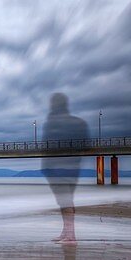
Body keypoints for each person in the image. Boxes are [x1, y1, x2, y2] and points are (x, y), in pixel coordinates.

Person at [41, 93, 89, 243]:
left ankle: (70, 236)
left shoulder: (51, 123)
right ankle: (66, 232)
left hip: (56, 167)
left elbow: (46, 146)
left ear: (54, 104)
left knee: (64, 201)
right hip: (73, 166)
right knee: (66, 200)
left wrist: (46, 167)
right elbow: (85, 145)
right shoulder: (80, 123)